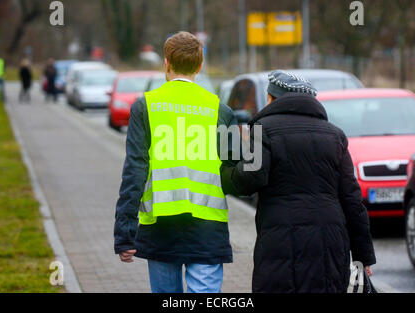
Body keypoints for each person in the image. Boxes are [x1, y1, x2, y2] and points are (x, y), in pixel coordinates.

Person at [221, 70, 376, 293]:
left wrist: (225, 172)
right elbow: (351, 198)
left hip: (280, 237)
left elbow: (249, 179)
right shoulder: (335, 135)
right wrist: (363, 254)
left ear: (272, 98)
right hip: (330, 239)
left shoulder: (262, 130)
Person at [114, 31, 237, 293]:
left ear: (166, 63)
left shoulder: (144, 107)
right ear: (200, 65)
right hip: (208, 227)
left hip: (161, 226)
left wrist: (125, 232)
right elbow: (235, 173)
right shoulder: (221, 111)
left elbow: (135, 170)